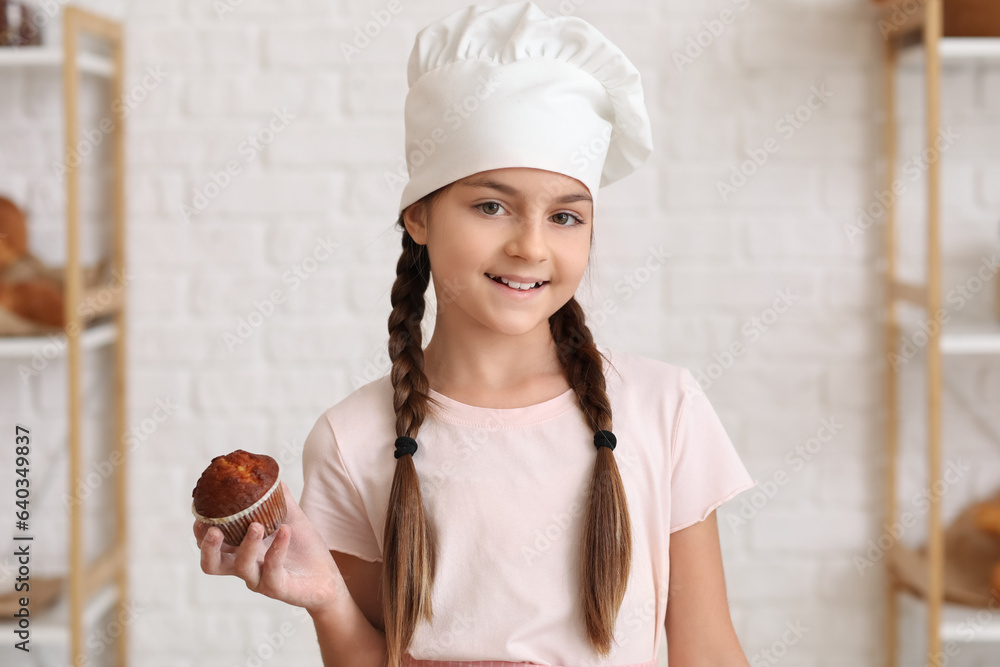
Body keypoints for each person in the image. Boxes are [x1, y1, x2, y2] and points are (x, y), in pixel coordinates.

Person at [194, 3, 758, 667]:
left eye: (566, 216)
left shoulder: (666, 408)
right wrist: (328, 602)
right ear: (420, 216)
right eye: (491, 205)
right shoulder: (352, 439)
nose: (531, 245)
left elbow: (710, 650)